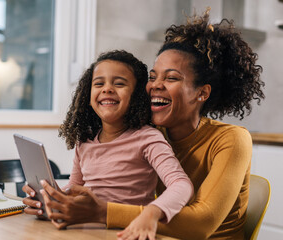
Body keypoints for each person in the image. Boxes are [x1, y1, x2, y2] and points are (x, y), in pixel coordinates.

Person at [23, 8, 265, 240]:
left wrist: (100, 212)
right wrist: (56, 202)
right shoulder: (149, 132)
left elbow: (202, 225)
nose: (155, 85)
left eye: (170, 78)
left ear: (201, 93)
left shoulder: (231, 139)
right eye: (152, 77)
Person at [26, 50, 193, 240]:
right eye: (99, 83)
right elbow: (74, 188)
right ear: (88, 96)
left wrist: (151, 213)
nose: (107, 89)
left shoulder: (148, 138)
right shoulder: (85, 142)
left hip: (126, 232)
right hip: (86, 231)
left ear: (137, 95)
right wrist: (50, 198)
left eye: (119, 83)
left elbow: (181, 184)